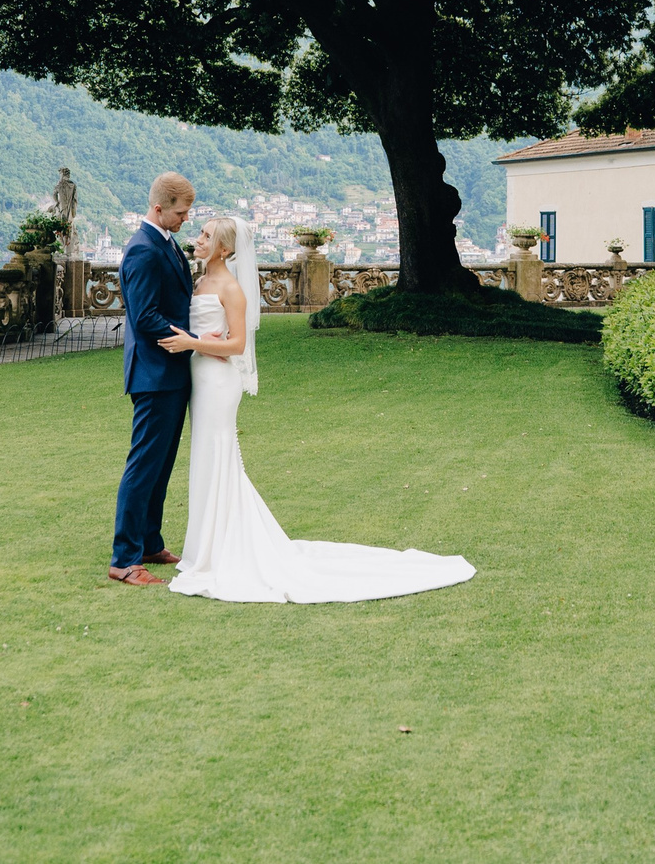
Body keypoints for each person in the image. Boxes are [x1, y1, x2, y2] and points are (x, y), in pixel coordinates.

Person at [158, 216, 475, 604]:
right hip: (201, 377)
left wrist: (195, 343)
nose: (199, 240)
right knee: (205, 456)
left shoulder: (230, 287)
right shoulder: (201, 280)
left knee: (217, 453)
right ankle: (204, 545)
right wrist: (201, 342)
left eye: (207, 236)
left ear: (225, 249)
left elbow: (238, 346)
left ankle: (221, 548)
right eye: (201, 234)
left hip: (218, 382)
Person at [108, 172, 195, 584]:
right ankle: (124, 559)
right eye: (180, 212)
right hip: (153, 373)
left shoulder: (166, 242)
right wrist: (194, 341)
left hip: (171, 373)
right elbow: (144, 317)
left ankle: (150, 541)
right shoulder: (143, 249)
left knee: (160, 466)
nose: (185, 219)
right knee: (143, 465)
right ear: (159, 208)